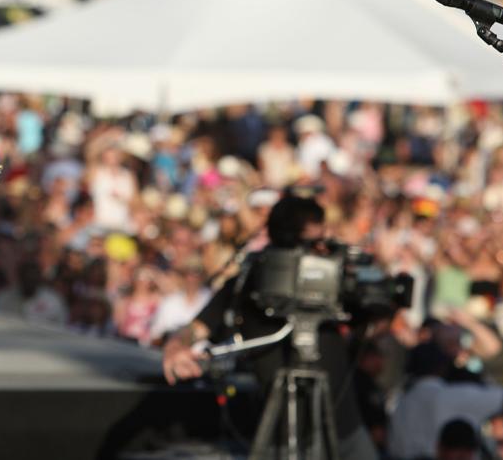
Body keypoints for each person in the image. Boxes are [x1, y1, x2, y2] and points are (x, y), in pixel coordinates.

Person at [161, 192, 378, 460]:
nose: (320, 250)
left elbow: (378, 309)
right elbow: (196, 328)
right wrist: (175, 347)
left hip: (346, 433)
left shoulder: (335, 278)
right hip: (282, 437)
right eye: (313, 242)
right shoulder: (249, 283)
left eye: (322, 242)